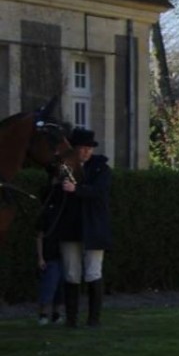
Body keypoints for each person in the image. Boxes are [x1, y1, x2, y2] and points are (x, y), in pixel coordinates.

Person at [58, 127, 112, 328]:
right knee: (71, 273)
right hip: (71, 227)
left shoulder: (101, 168)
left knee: (93, 272)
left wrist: (76, 190)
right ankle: (71, 319)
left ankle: (93, 319)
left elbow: (99, 192)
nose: (86, 152)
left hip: (93, 227)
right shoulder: (64, 168)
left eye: (89, 148)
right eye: (82, 148)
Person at [34, 168, 67, 326]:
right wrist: (40, 257)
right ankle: (45, 314)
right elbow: (40, 235)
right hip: (51, 253)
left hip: (58, 252)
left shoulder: (59, 211)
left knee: (58, 286)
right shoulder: (49, 212)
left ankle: (53, 314)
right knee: (50, 285)